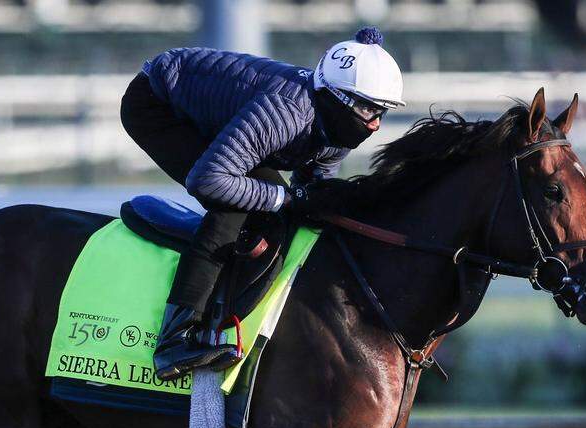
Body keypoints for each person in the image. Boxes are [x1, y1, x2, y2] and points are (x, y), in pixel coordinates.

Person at [120, 27, 405, 381]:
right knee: (236, 203)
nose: (375, 124)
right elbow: (208, 180)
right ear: (335, 97)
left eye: (382, 111)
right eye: (367, 109)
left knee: (275, 200)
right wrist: (282, 198)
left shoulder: (340, 129)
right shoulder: (286, 114)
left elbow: (311, 193)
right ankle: (174, 339)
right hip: (157, 104)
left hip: (215, 109)